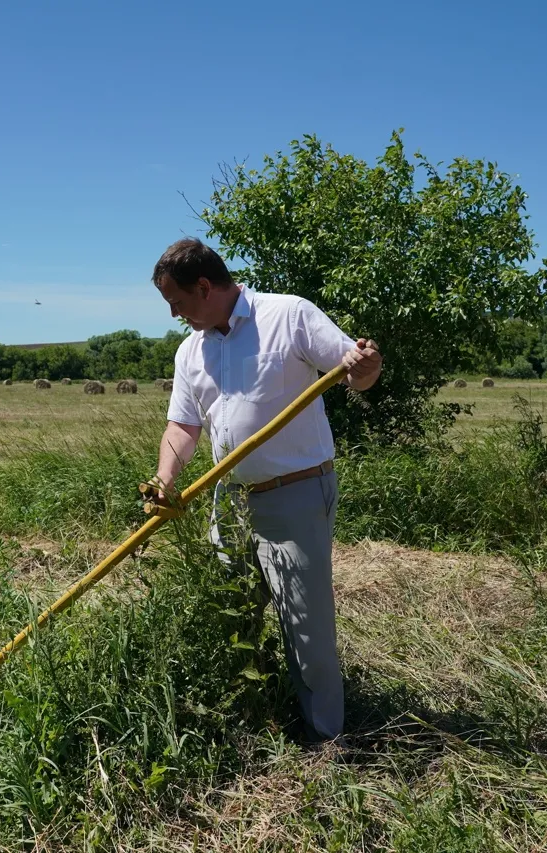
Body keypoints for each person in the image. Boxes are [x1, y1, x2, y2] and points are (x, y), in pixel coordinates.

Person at [147, 237, 381, 743]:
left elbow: (353, 370)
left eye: (178, 303)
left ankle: (326, 741)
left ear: (205, 286)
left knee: (306, 625)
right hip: (228, 500)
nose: (174, 314)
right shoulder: (191, 351)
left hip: (295, 493)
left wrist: (367, 368)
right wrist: (165, 480)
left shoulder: (288, 316)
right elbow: (183, 426)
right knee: (234, 611)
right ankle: (255, 716)